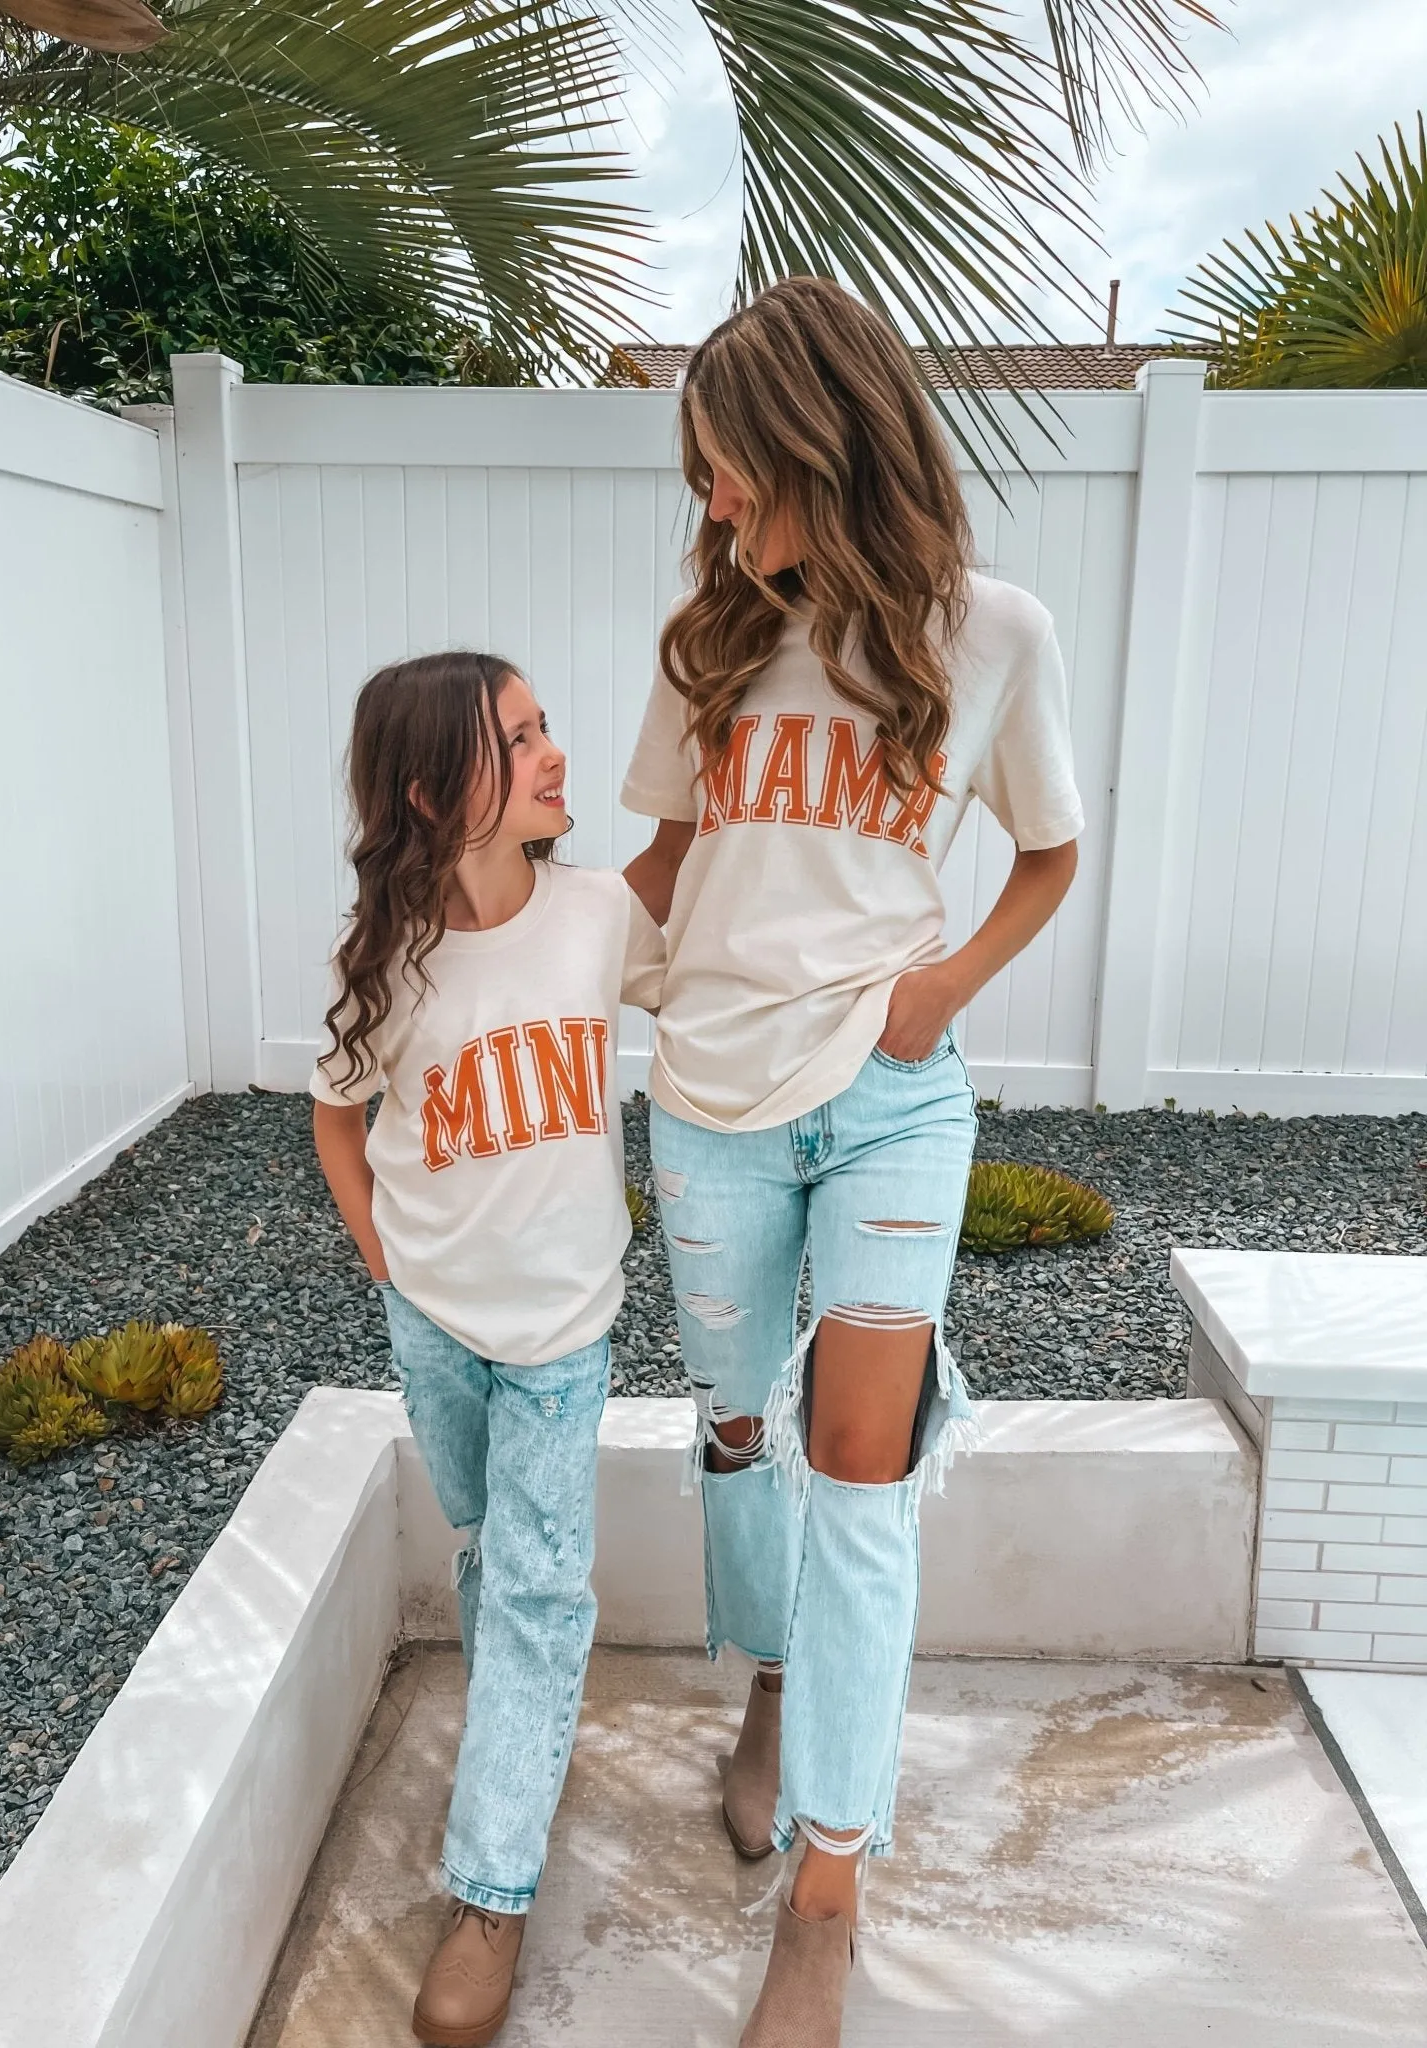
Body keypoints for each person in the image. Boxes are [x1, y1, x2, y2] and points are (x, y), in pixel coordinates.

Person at [623, 276, 1084, 2046]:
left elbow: (1045, 855)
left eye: (731, 472)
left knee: (862, 1476)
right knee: (741, 1429)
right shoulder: (710, 645)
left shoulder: (995, 637)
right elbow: (663, 873)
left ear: (824, 441)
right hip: (714, 1098)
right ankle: (771, 1687)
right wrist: (501, 955)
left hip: (894, 1098)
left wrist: (940, 993)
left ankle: (829, 1886)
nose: (714, 507)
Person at [311, 651, 663, 2048]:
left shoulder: (599, 918)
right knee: (484, 1547)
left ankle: (492, 1886)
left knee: (531, 1585)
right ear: (427, 788)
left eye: (543, 728)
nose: (552, 754)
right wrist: (377, 1251)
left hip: (568, 1331)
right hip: (438, 1325)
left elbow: (707, 996)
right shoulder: (385, 965)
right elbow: (339, 1118)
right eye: (515, 741)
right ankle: (522, 1735)